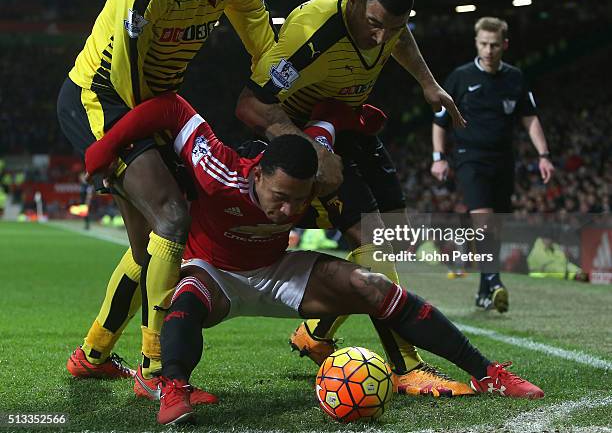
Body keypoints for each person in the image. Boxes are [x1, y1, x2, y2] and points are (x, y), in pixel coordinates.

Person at [83, 92, 544, 426]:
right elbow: (169, 107)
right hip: (214, 273)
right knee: (183, 299)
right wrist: (100, 152)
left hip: (277, 269)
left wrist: (357, 118)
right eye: (280, 197)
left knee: (371, 285)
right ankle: (174, 387)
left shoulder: (315, 175)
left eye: (297, 202)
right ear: (258, 173)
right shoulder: (216, 166)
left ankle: (487, 373)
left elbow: (325, 119)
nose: (289, 210)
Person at [57, 0, 277, 386]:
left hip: (155, 103)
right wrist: (112, 151)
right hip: (104, 98)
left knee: (150, 248)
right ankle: (155, 367)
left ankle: (92, 355)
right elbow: (127, 80)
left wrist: (274, 106)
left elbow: (266, 49)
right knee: (171, 220)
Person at [234, 0, 470, 396]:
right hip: (306, 130)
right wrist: (310, 150)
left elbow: (399, 37)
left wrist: (427, 83)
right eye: (375, 25)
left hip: (350, 123)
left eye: (393, 27)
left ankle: (315, 335)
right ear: (356, 1)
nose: (381, 37)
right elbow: (250, 105)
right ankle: (407, 368)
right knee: (369, 238)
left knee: (394, 234)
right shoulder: (310, 33)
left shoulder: (385, 21)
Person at [431, 16, 555, 312]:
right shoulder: (459, 78)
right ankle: (496, 281)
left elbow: (530, 118)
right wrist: (438, 157)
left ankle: (485, 290)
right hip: (470, 157)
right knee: (483, 221)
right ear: (476, 43)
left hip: (504, 160)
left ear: (505, 45)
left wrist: (544, 155)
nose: (488, 50)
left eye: (494, 45)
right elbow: (439, 121)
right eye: (483, 44)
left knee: (495, 228)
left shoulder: (515, 78)